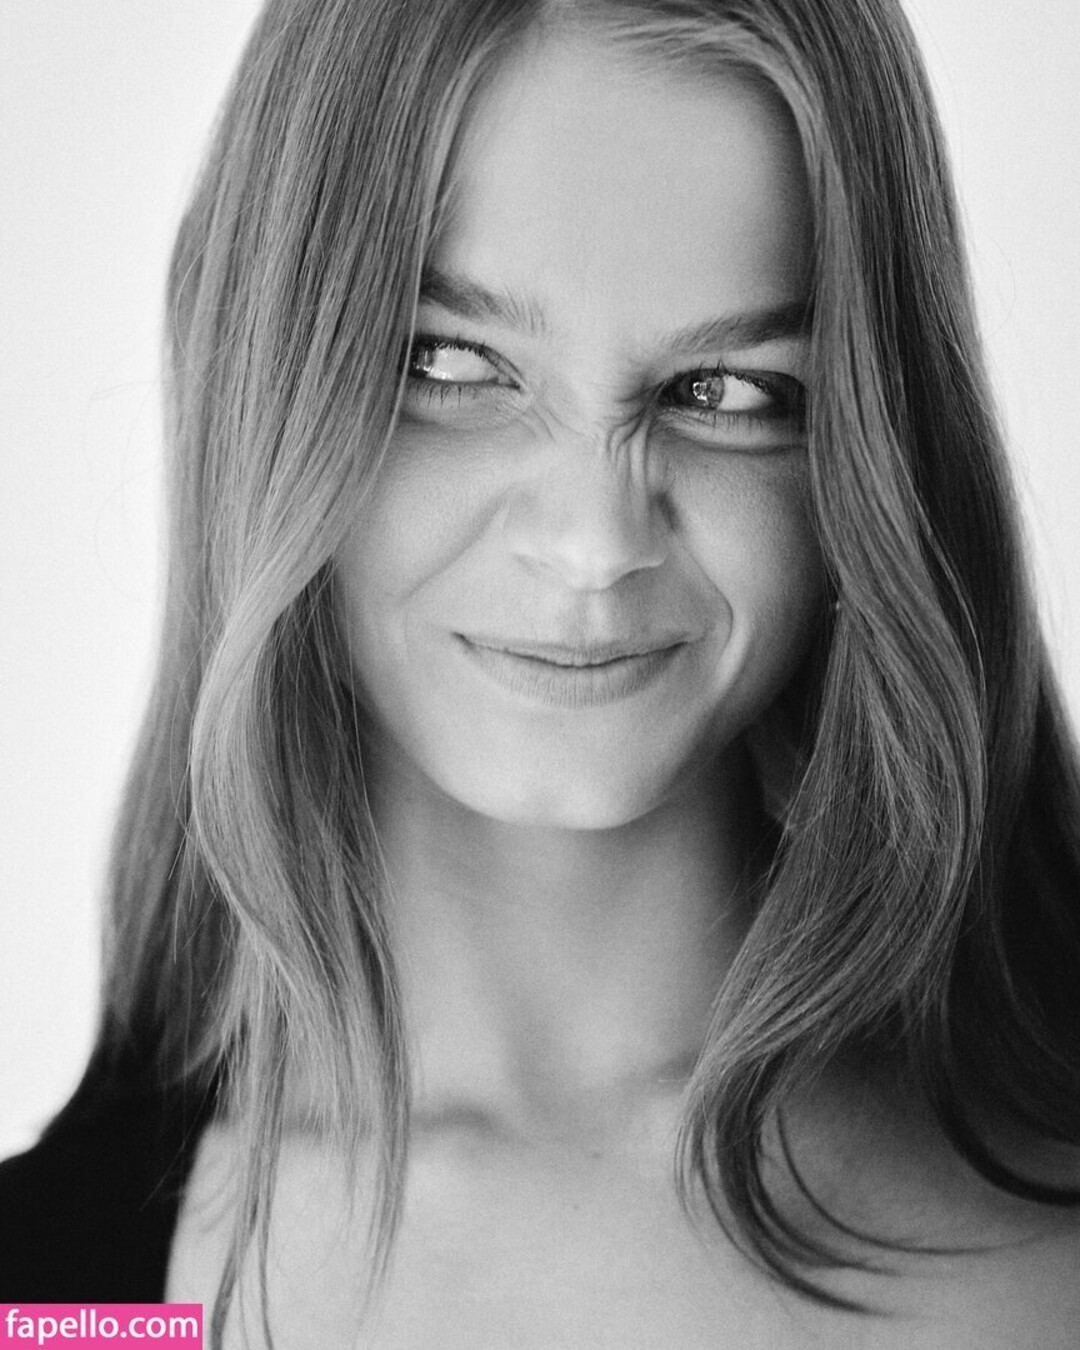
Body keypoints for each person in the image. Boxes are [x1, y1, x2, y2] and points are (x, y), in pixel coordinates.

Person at [2, 0, 1079, 1344]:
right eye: (452, 364)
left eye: (728, 390)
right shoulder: (46, 1295)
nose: (593, 543)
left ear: (873, 450)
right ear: (266, 386)